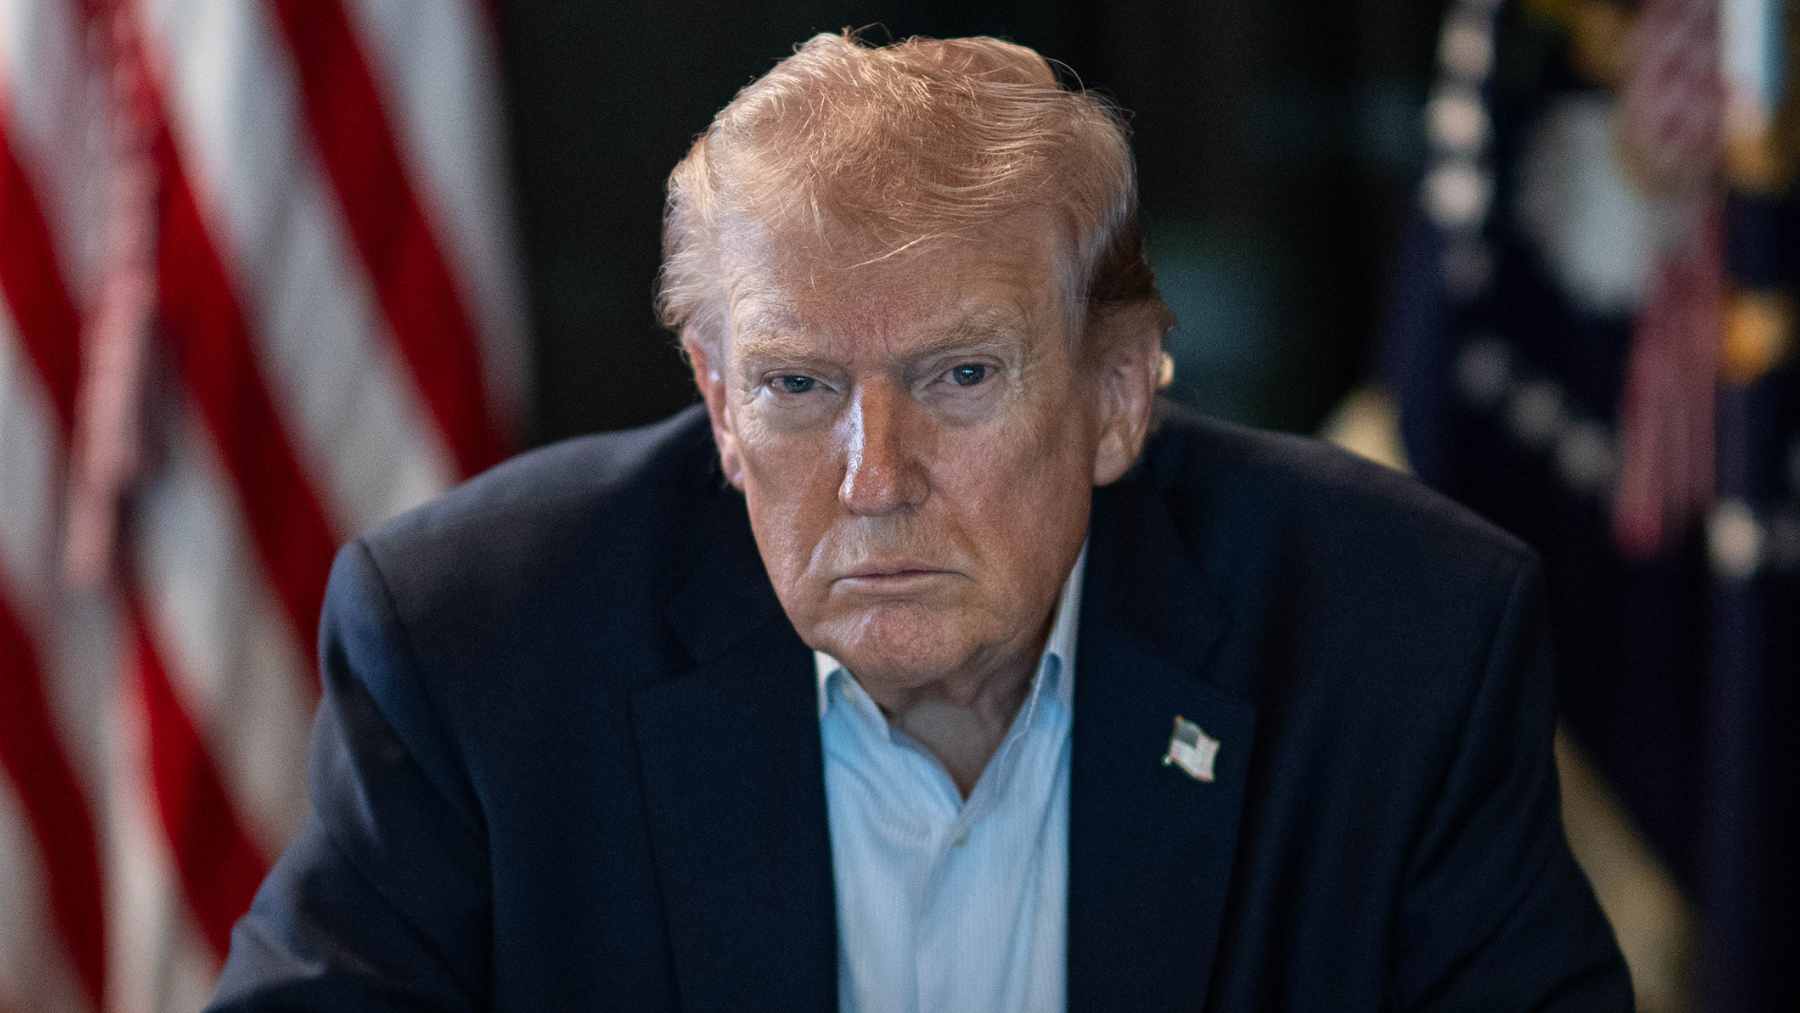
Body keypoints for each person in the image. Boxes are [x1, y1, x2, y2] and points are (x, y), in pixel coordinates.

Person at [207, 33, 1630, 1011]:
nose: (871, 472)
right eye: (796, 384)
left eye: (958, 376)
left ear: (1118, 393)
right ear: (714, 398)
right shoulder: (476, 645)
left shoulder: (1401, 640)